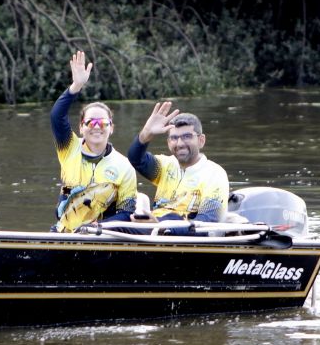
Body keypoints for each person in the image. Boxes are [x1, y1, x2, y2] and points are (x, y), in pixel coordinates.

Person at [50, 50, 137, 232]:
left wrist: (98, 227)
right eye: (90, 122)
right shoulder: (69, 147)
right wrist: (76, 86)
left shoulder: (125, 167)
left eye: (103, 122)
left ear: (111, 128)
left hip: (101, 235)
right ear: (81, 127)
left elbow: (127, 211)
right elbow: (57, 117)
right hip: (64, 232)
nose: (96, 126)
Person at [127, 101, 229, 232]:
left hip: (182, 234)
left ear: (201, 140)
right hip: (153, 227)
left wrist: (161, 226)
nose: (180, 143)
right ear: (169, 142)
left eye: (187, 137)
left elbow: (207, 222)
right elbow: (135, 158)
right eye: (174, 138)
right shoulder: (164, 165)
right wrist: (146, 133)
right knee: (121, 220)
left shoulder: (214, 174)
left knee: (172, 217)